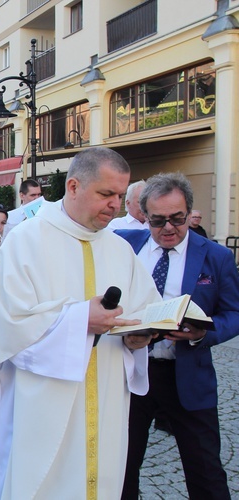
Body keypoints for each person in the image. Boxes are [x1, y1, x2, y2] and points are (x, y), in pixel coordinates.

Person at [0, 147, 163, 499]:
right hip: (40, 401)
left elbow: (144, 311)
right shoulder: (27, 240)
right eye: (106, 194)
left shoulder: (120, 250)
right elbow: (2, 327)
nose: (115, 205)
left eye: (121, 196)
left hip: (106, 395)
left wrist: (139, 338)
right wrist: (79, 319)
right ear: (73, 186)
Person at [116, 173, 239, 500]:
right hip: (132, 375)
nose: (168, 228)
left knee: (206, 472)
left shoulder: (216, 256)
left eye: (177, 219)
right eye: (158, 221)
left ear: (189, 212)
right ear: (144, 216)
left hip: (186, 375)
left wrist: (202, 334)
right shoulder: (125, 245)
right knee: (121, 468)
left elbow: (234, 313)